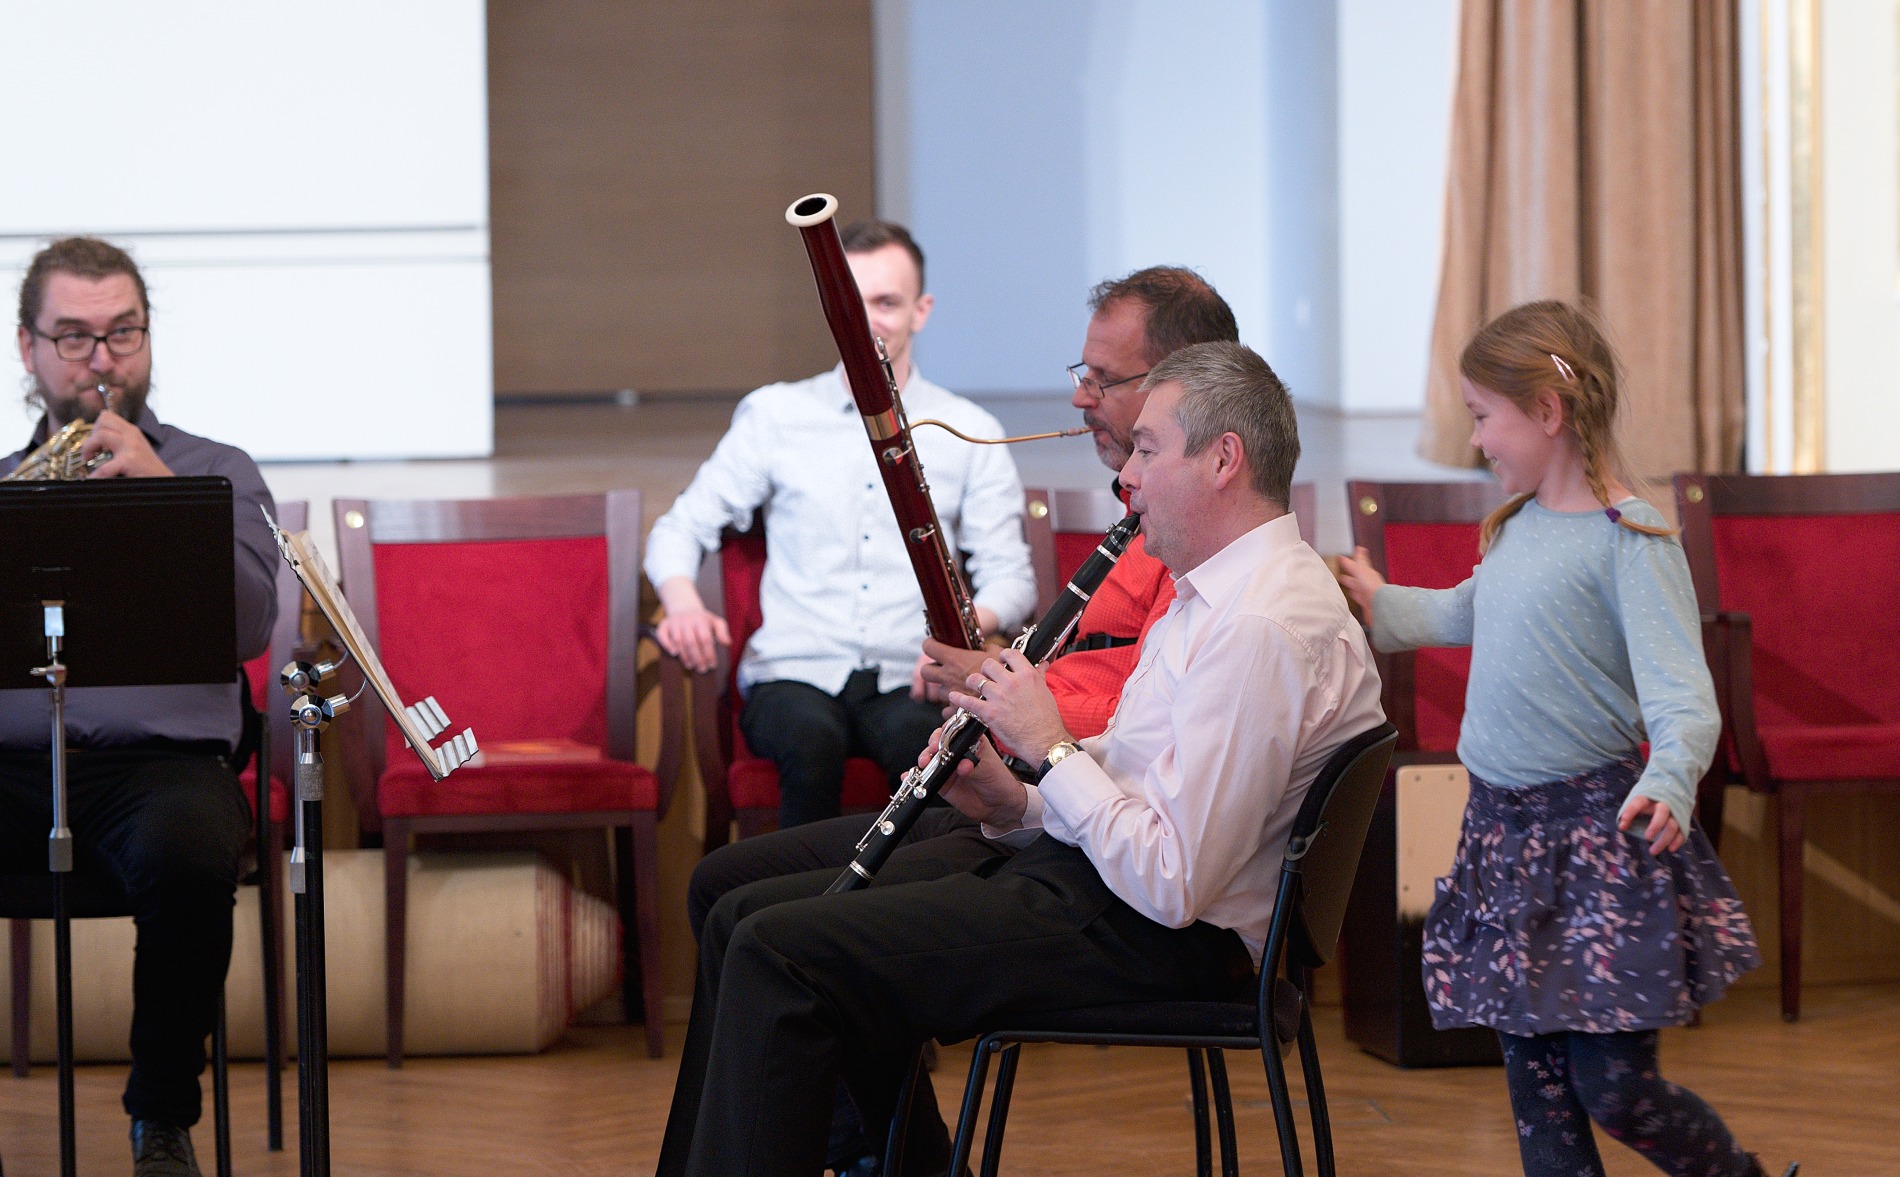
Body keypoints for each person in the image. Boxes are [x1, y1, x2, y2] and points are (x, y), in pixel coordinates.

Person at [657, 340, 1385, 1177]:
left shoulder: (1260, 625)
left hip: (1162, 936)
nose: (1127, 477)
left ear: (1224, 460)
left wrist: (1048, 744)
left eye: (1148, 451)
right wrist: (1017, 804)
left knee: (780, 952)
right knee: (751, 920)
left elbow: (1174, 880)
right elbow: (1139, 781)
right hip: (1109, 893)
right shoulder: (1214, 594)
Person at [1334, 301, 1789, 1177]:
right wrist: (1382, 601)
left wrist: (1671, 776)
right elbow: (1466, 611)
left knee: (1613, 1086)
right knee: (1538, 1094)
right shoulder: (1516, 527)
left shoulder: (1632, 539)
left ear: (1547, 409)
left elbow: (1684, 696)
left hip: (1596, 839)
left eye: (1482, 416)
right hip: (1502, 838)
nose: (1477, 439)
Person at [0, 238, 278, 1177]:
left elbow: (252, 621)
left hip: (160, 768)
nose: (102, 358)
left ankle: (161, 1119)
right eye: (73, 337)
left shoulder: (216, 470)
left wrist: (160, 487)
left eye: (123, 332)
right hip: (12, 764)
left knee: (192, 848)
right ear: (28, 347)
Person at [643, 219, 1036, 830]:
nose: (869, 321)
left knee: (933, 759)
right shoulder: (776, 415)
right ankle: (801, 896)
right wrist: (682, 604)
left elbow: (1012, 580)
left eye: (887, 302)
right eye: (854, 303)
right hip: (794, 671)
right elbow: (680, 528)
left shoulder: (968, 428)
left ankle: (917, 896)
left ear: (921, 311)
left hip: (912, 675)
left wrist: (957, 638)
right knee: (810, 748)